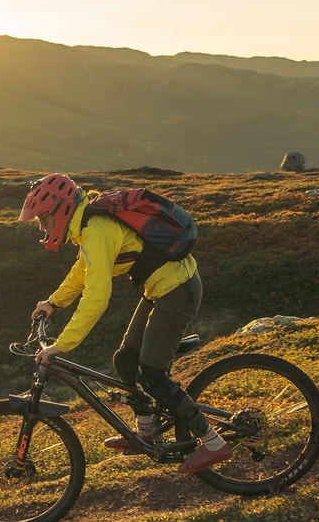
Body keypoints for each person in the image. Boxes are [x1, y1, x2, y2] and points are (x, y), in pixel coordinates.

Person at [18, 172, 233, 475]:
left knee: (152, 374)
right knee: (125, 359)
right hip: (160, 289)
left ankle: (212, 442)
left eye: (43, 219)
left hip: (177, 290)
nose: (43, 227)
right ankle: (146, 434)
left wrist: (61, 346)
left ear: (62, 209)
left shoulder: (96, 230)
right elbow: (83, 270)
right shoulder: (88, 226)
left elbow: (97, 298)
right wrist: (53, 303)